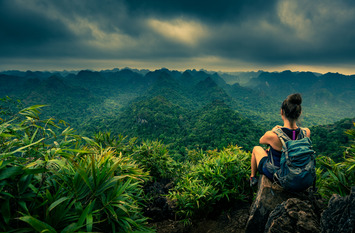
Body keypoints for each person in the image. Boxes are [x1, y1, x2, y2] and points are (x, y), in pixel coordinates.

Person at [249, 93, 311, 186]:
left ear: (282, 112)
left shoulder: (272, 135)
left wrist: (274, 130)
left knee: (256, 149)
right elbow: (292, 138)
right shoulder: (306, 132)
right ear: (299, 113)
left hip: (279, 175)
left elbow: (261, 141)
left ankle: (252, 177)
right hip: (300, 174)